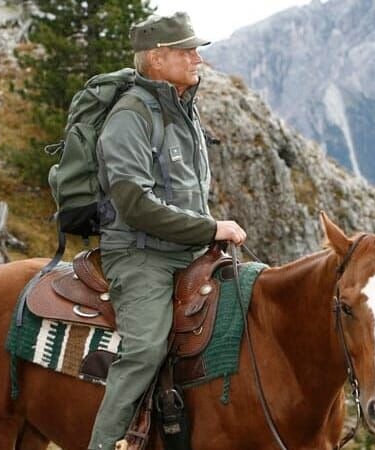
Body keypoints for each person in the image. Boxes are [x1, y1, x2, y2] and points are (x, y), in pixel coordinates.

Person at [88, 12, 246, 450]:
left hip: (189, 250)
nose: (197, 58)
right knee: (144, 351)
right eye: (186, 50)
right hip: (140, 255)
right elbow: (136, 205)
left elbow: (189, 195)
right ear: (157, 59)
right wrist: (212, 227)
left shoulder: (185, 113)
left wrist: (207, 235)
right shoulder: (129, 118)